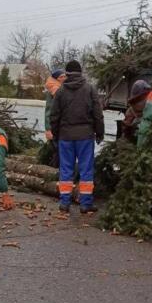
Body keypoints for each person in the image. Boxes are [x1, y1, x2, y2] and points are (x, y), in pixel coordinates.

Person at [50, 60, 104, 214]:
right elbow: (97, 114)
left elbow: (54, 115)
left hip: (65, 136)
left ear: (66, 73)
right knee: (86, 170)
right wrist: (99, 132)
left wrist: (55, 134)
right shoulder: (90, 89)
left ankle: (64, 203)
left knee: (65, 169)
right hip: (85, 137)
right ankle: (85, 204)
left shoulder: (60, 91)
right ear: (80, 72)